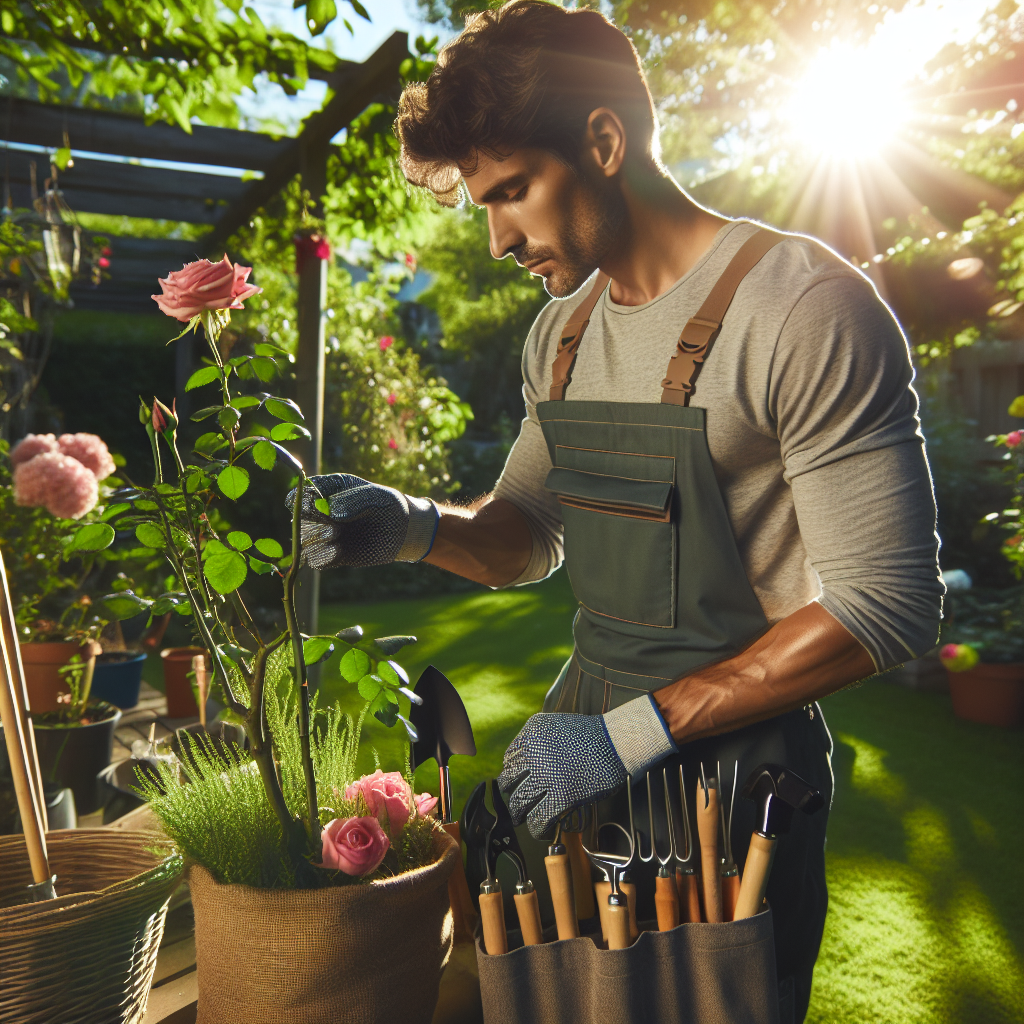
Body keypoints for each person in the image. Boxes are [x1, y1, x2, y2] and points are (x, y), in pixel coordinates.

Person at [295, 2, 943, 1019]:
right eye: (481, 203)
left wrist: (633, 734)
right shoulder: (559, 334)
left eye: (511, 190)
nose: (500, 236)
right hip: (577, 756)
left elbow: (884, 609)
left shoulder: (803, 307)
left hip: (735, 789)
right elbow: (526, 535)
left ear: (603, 140)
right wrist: (410, 523)